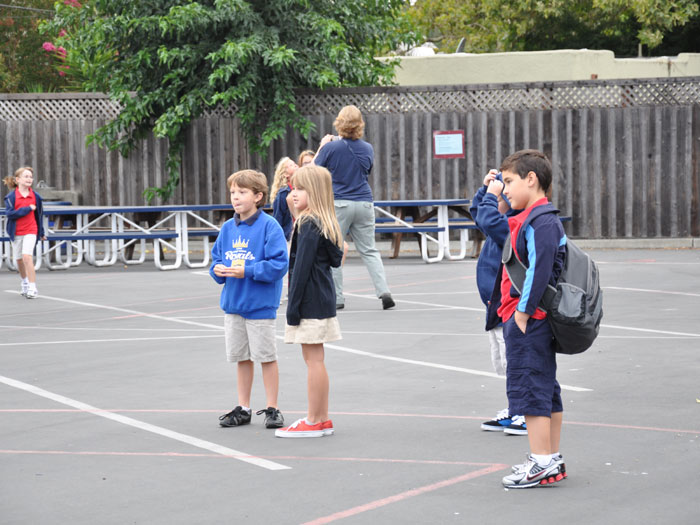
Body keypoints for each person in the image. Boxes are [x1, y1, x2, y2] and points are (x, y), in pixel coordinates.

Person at [485, 150, 567, 489]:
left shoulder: (540, 220)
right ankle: (549, 457)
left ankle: (541, 461)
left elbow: (540, 268)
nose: (505, 189)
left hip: (529, 320)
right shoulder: (535, 218)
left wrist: (523, 311)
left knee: (532, 390)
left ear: (531, 179)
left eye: (509, 181)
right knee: (545, 388)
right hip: (533, 318)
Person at [210, 169, 289, 430]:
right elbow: (217, 259)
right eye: (233, 192)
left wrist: (248, 271)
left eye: (242, 192)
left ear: (258, 196)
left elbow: (279, 264)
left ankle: (272, 407)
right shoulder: (227, 228)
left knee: (266, 357)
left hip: (260, 306)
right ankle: (243, 407)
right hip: (234, 305)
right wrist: (217, 270)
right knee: (242, 358)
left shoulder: (269, 226)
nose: (235, 197)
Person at [275, 165, 344, 438]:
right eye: (294, 188)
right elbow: (336, 259)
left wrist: (292, 308)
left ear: (315, 192)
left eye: (301, 189)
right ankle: (322, 418)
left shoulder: (308, 224)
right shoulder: (323, 222)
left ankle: (314, 420)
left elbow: (300, 269)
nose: (294, 193)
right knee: (316, 359)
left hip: (310, 300)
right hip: (323, 298)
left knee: (313, 360)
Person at [313, 105, 394, 311]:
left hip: (339, 203)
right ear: (360, 125)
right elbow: (367, 170)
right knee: (369, 250)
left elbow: (312, 171)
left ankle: (337, 297)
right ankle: (384, 291)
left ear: (339, 123)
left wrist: (322, 146)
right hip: (364, 202)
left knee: (335, 249)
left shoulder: (331, 148)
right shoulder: (367, 148)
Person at [470, 170, 527, 436]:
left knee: (517, 360)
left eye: (503, 195)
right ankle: (516, 407)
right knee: (504, 362)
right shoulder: (497, 222)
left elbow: (488, 217)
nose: (493, 203)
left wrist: (491, 197)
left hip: (510, 305)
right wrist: (485, 191)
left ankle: (526, 411)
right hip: (495, 305)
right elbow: (479, 214)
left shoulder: (511, 225)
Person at [3, 166, 45, 299]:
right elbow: (10, 214)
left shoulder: (36, 197)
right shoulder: (10, 197)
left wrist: (41, 232)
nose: (29, 179)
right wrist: (27, 209)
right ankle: (25, 282)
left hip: (31, 230)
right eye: (26, 176)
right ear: (18, 179)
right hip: (16, 232)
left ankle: (33, 287)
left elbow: (39, 215)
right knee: (19, 261)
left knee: (27, 257)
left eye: (31, 177)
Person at [270, 157, 297, 241]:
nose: (295, 165)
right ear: (285, 174)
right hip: (289, 236)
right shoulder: (283, 193)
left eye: (295, 164)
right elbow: (278, 218)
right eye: (291, 165)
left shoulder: (303, 188)